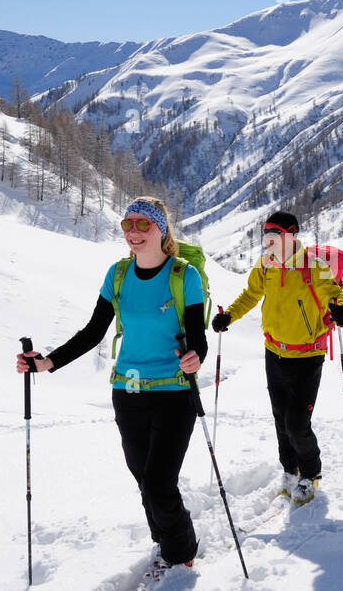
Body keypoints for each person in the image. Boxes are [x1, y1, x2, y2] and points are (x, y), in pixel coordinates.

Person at [16, 196, 205, 570]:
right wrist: (47, 362)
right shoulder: (118, 275)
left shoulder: (184, 276)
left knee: (158, 483)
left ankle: (181, 555)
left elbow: (197, 338)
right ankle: (163, 542)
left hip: (174, 394)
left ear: (160, 229)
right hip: (128, 393)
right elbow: (92, 332)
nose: (133, 233)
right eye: (127, 225)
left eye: (142, 225)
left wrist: (195, 355)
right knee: (143, 480)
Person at [211, 211, 343, 505]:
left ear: (291, 235)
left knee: (297, 423)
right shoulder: (266, 266)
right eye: (265, 235)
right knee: (280, 418)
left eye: (273, 235)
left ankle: (310, 473)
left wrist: (341, 309)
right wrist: (229, 316)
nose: (267, 241)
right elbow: (251, 294)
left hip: (307, 355)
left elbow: (333, 293)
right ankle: (289, 469)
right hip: (274, 352)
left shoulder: (313, 266)